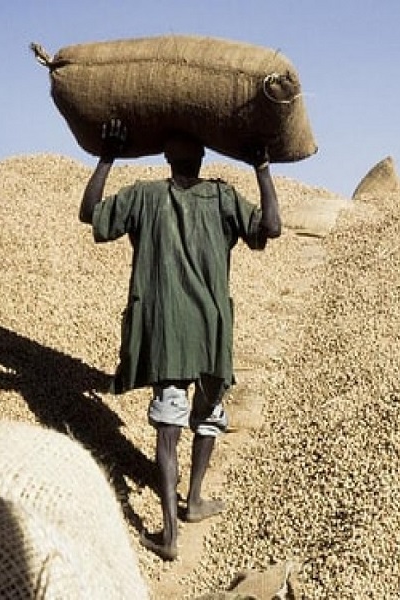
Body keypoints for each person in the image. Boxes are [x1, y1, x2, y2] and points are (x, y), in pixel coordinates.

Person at [79, 118, 282, 561]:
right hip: (211, 336)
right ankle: (195, 500)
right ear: (204, 157)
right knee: (208, 416)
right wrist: (262, 167)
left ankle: (171, 532)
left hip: (166, 334)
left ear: (166, 159)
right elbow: (271, 227)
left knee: (168, 431)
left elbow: (90, 212)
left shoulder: (145, 197)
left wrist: (107, 156)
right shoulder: (224, 197)